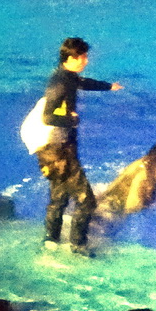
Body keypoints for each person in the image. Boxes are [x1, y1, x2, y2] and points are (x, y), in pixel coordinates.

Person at [37, 37, 124, 256]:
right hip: (59, 150)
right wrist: (72, 121)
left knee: (59, 196)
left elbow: (83, 83)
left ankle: (51, 239)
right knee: (87, 201)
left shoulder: (67, 76)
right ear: (71, 58)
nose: (86, 61)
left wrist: (108, 87)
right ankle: (78, 246)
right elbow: (48, 116)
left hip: (55, 148)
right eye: (83, 57)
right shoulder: (60, 83)